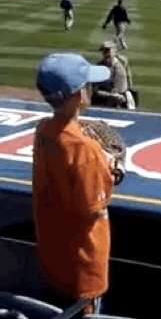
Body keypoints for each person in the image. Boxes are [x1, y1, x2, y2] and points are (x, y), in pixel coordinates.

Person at [32, 52, 115, 316]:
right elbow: (94, 206)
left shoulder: (43, 129)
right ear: (80, 96)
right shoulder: (85, 149)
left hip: (53, 258)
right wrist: (112, 167)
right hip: (83, 272)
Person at [91, 42, 131, 109]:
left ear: (115, 51)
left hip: (118, 104)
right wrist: (112, 95)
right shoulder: (98, 67)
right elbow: (95, 90)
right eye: (103, 51)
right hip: (101, 103)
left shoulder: (121, 66)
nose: (106, 53)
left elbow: (125, 86)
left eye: (108, 50)